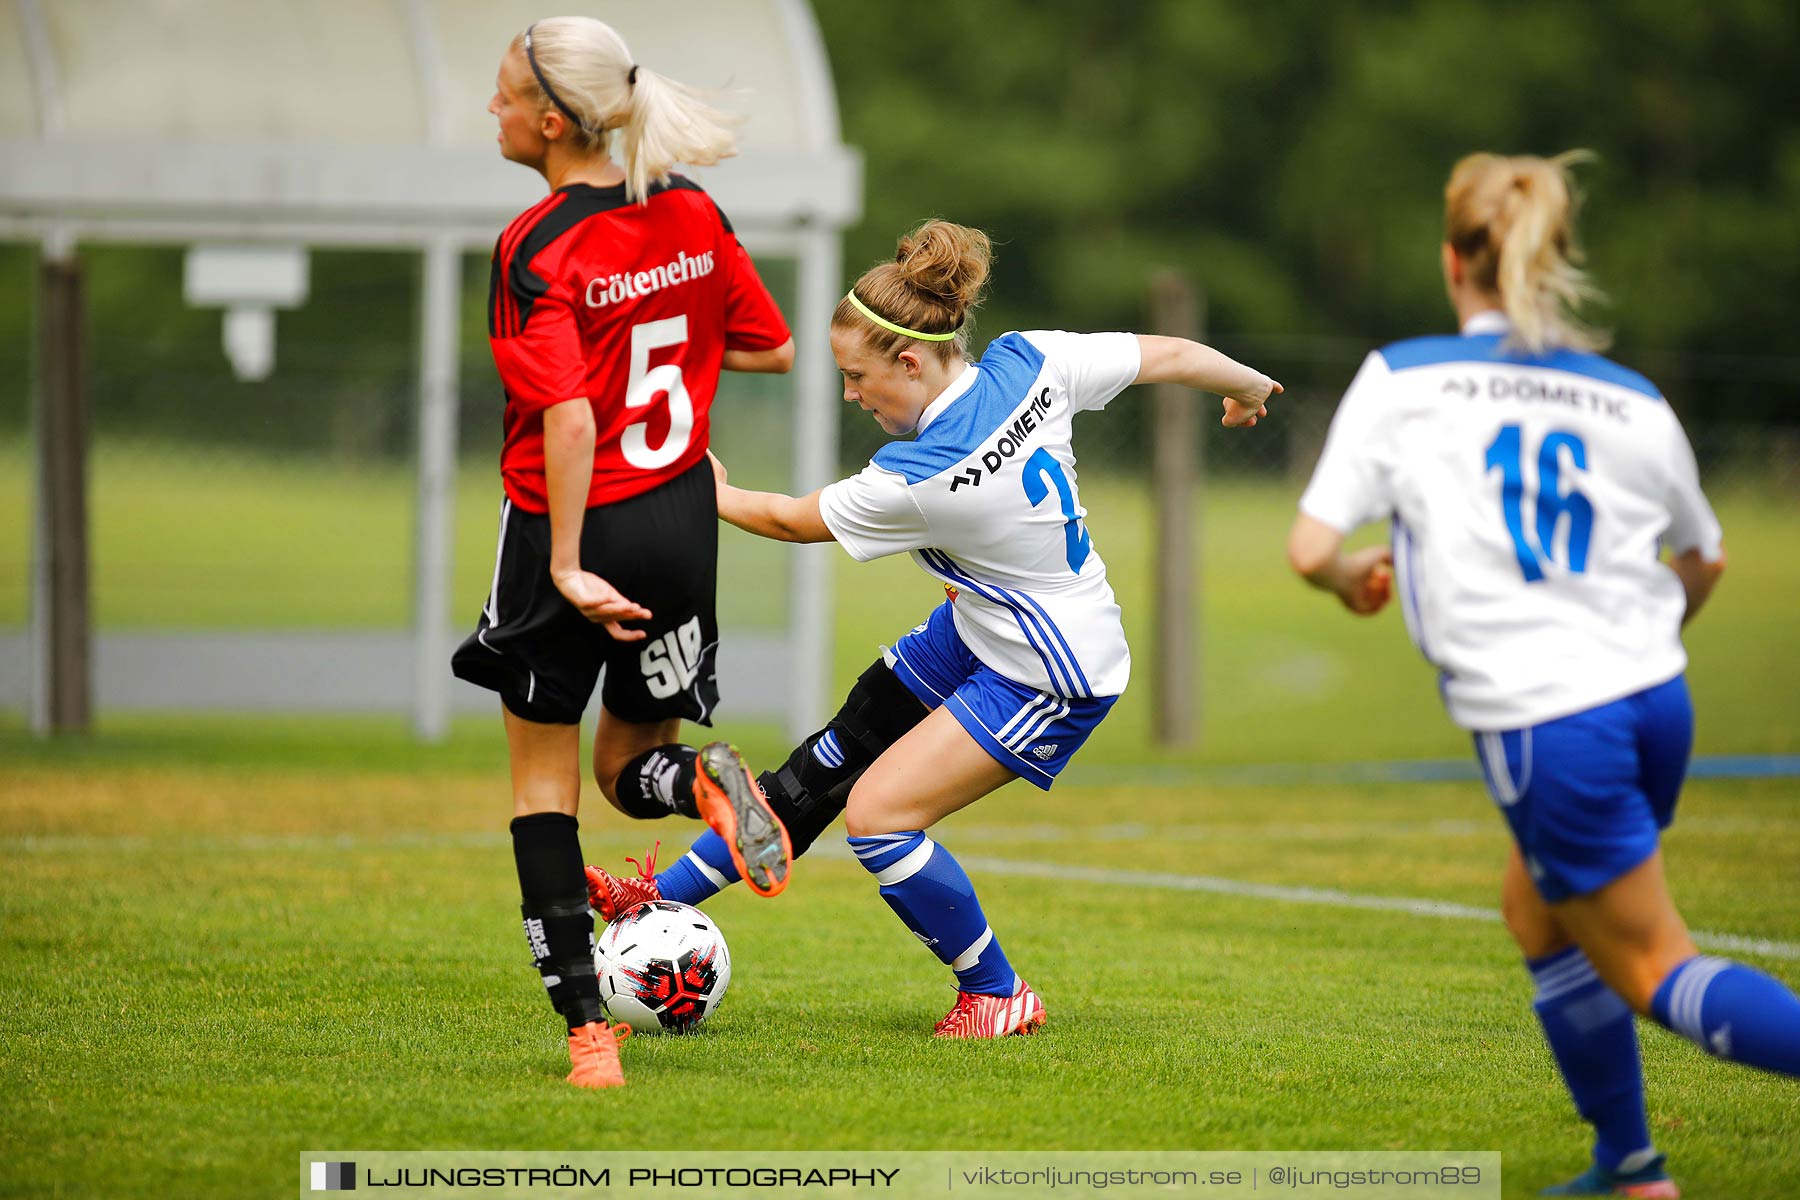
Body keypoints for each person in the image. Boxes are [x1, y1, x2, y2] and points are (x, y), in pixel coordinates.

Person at [586, 218, 1280, 1037]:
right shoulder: (1032, 360)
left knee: (879, 815)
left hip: (1050, 670)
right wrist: (1249, 385)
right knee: (831, 760)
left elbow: (784, 520)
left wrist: (695, 482)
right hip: (985, 628)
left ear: (909, 362)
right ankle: (662, 900)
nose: (851, 394)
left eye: (856, 376)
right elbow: (1164, 354)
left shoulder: (921, 477)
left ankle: (997, 992)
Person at [1287, 151, 1800, 1195]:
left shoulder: (1407, 377)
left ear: (1451, 262)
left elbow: (1308, 548)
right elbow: (1705, 560)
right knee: (1537, 911)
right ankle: (1630, 1167)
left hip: (1550, 722)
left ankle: (1636, 1170)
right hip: (1655, 701)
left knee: (1654, 964)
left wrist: (1348, 580)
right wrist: (1638, 644)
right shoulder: (1632, 399)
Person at [450, 16, 798, 1089]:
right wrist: (677, 340)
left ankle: (590, 1040)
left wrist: (561, 565)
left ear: (552, 120)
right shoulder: (690, 207)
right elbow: (773, 346)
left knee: (544, 790)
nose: (492, 111)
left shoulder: (536, 242)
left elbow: (565, 417)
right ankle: (697, 778)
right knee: (622, 772)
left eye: (504, 95)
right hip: (683, 521)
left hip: (581, 523)